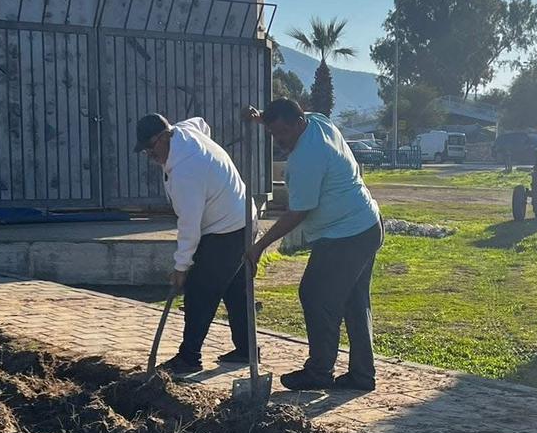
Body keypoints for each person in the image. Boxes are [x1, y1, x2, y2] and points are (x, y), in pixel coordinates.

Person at [244, 99, 384, 393]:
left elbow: (298, 212)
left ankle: (319, 372)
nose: (279, 140)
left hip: (345, 235)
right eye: (272, 133)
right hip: (366, 224)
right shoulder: (316, 120)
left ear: (297, 124)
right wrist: (261, 120)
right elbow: (289, 115)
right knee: (355, 302)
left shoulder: (307, 156)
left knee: (315, 295)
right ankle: (361, 376)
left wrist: (260, 245)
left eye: (282, 132)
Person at [133, 112, 252, 375]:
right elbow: (201, 123)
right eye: (144, 151)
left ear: (165, 136)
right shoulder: (184, 132)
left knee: (200, 291)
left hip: (227, 228)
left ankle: (189, 358)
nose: (150, 155)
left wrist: (181, 267)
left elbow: (189, 226)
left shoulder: (187, 172)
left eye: (151, 148)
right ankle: (246, 349)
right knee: (234, 288)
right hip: (241, 217)